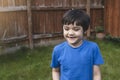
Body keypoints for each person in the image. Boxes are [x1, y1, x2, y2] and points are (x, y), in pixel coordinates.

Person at [50, 9, 104, 80]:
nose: (70, 33)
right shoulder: (58, 50)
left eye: (76, 29)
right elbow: (55, 71)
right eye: (66, 29)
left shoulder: (93, 48)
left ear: (84, 30)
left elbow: (96, 74)